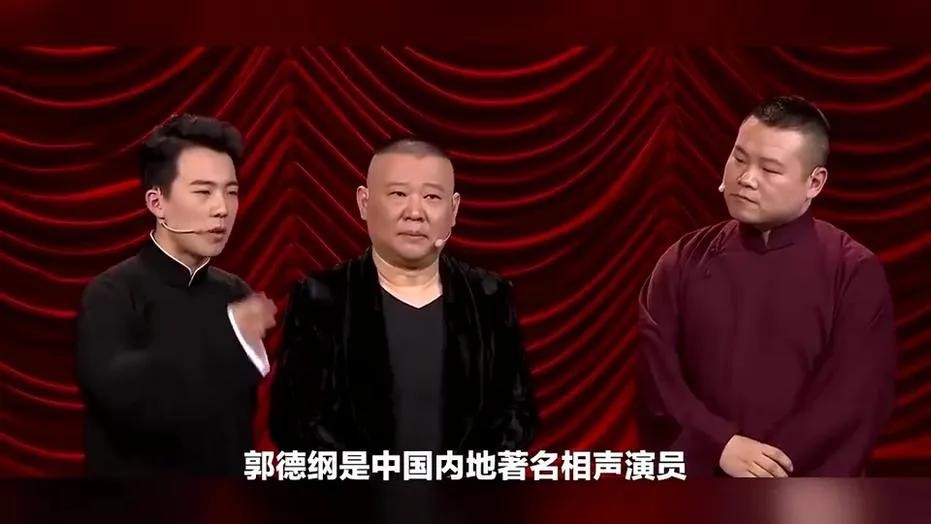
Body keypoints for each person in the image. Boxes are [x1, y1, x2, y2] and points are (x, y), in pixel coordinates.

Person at [637, 96, 896, 477]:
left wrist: (768, 468)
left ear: (814, 182)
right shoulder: (683, 260)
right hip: (698, 486)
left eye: (770, 169)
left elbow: (853, 398)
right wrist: (717, 444)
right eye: (739, 158)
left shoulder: (853, 270)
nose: (746, 178)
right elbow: (657, 375)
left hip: (806, 493)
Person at [269, 138, 537, 453]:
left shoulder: (488, 298)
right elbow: (295, 422)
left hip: (466, 484)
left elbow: (518, 414)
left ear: (453, 210)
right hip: (354, 485)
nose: (415, 212)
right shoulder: (321, 298)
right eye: (398, 194)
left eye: (431, 197)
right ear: (364, 202)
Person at [76, 114, 277, 475]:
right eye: (203, 192)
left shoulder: (234, 292)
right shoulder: (111, 293)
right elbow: (125, 400)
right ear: (157, 202)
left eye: (231, 192)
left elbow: (238, 425)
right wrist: (227, 334)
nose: (222, 208)